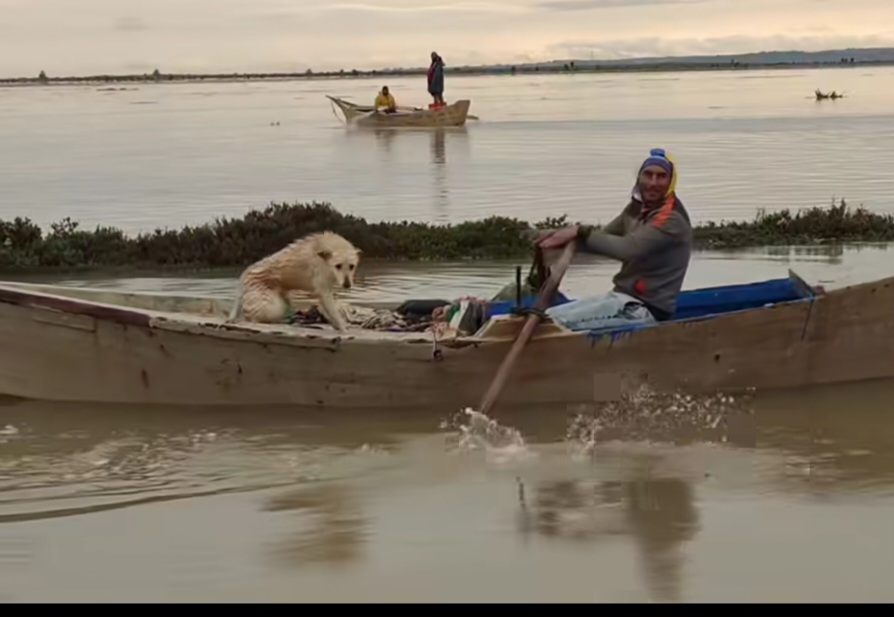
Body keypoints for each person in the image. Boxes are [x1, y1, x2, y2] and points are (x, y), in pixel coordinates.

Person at [535, 148, 692, 332]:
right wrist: (557, 237)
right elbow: (605, 238)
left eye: (661, 177)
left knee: (551, 324)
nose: (653, 183)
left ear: (671, 182)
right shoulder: (637, 208)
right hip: (621, 298)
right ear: (638, 177)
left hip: (645, 309)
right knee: (549, 315)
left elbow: (627, 249)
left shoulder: (671, 219)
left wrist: (579, 231)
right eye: (648, 175)